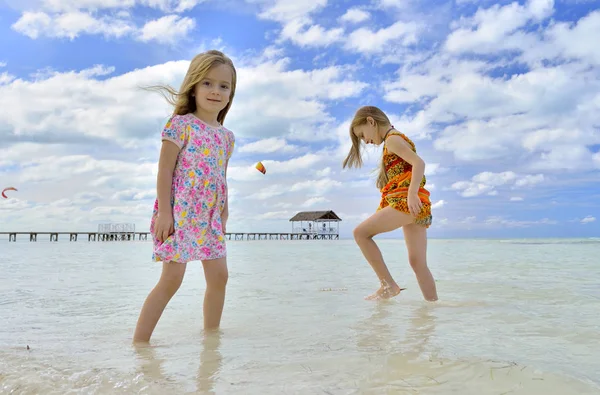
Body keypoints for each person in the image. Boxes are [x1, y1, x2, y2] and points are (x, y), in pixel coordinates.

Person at [133, 50, 237, 343]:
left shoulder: (227, 137)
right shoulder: (180, 124)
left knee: (219, 277)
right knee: (171, 280)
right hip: (178, 214)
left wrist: (224, 212)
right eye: (207, 83)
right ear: (193, 86)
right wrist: (165, 213)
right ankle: (140, 344)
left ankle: (211, 340)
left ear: (231, 93)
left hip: (210, 217)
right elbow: (164, 171)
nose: (215, 91)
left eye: (223, 86)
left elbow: (221, 176)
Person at [342, 105, 438, 302]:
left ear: (371, 121)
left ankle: (388, 285)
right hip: (417, 204)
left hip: (406, 201)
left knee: (360, 233)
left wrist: (411, 194)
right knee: (418, 262)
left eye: (362, 135)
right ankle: (433, 308)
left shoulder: (392, 139)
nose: (366, 141)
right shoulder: (394, 139)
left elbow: (419, 163)